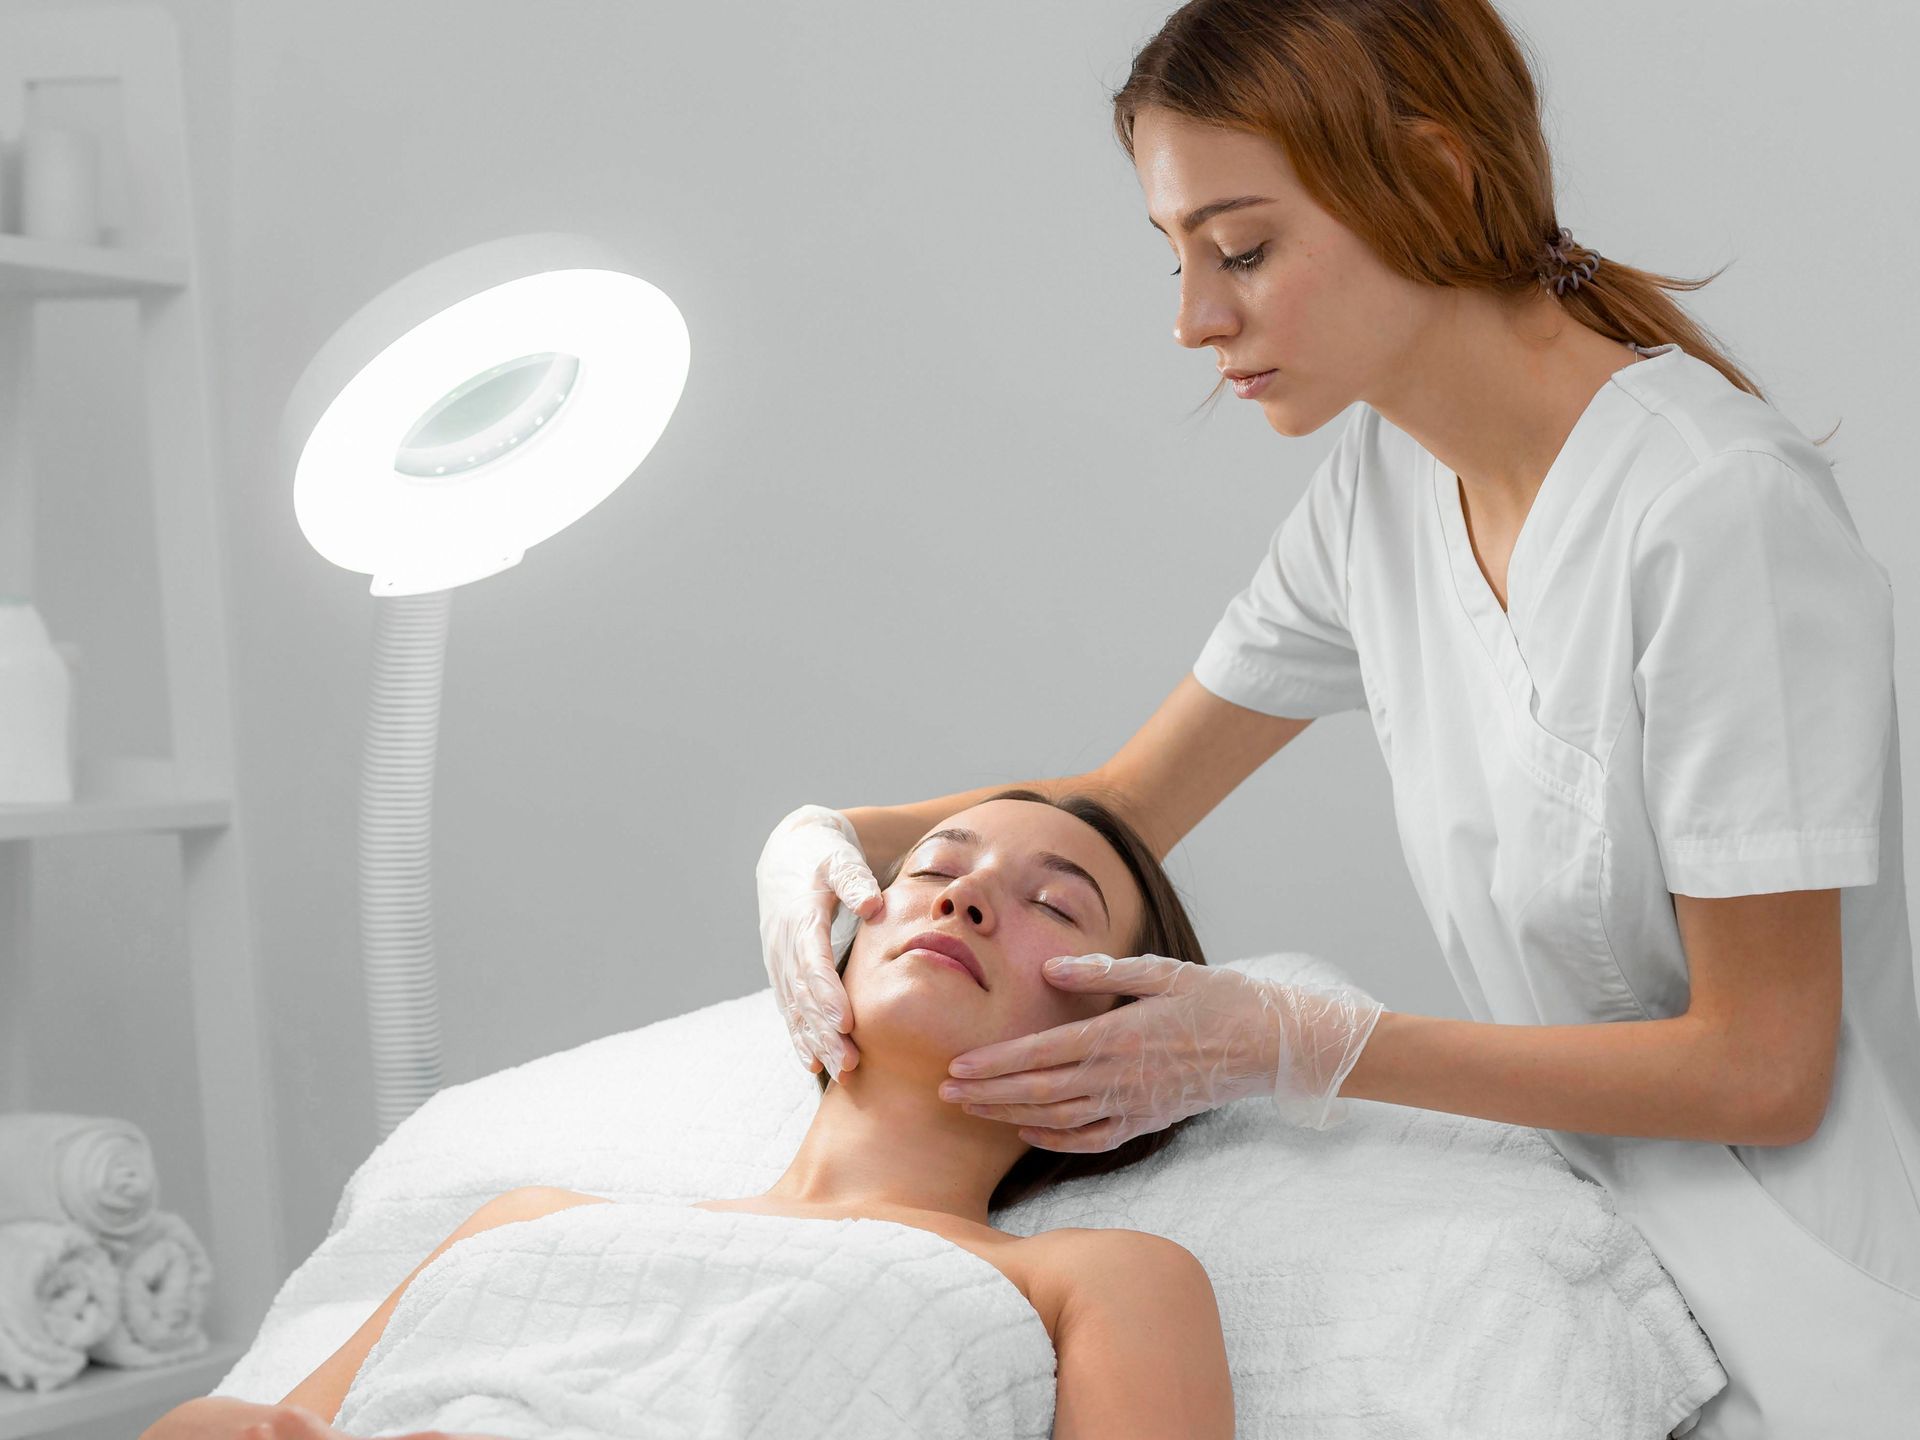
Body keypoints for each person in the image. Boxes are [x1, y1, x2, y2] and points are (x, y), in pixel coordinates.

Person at [756, 3, 1920, 1436]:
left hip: (1813, 1321)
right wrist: (825, 841)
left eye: (1241, 251)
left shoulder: (1711, 514)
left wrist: (1302, 1046)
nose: (1194, 318)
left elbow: (1765, 1065)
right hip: (1580, 1275)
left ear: (1434, 181)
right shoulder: (1386, 487)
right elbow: (1124, 804)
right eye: (1176, 255)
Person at [143, 795, 1237, 1440]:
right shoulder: (523, 1218)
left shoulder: (1097, 1278)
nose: (962, 897)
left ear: (1127, 1030)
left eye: (1055, 905)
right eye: (931, 869)